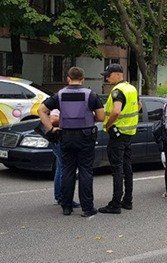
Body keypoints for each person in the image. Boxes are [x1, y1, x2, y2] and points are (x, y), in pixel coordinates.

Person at [39, 67, 105, 218]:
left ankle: (66, 207)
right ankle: (87, 208)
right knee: (85, 171)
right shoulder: (91, 95)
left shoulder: (59, 95)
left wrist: (50, 129)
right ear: (83, 79)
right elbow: (101, 117)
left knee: (67, 171)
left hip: (66, 136)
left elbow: (41, 110)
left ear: (68, 78)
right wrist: (88, 118)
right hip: (86, 136)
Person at [98, 64, 140, 214]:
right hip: (129, 134)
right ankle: (127, 201)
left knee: (117, 169)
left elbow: (116, 111)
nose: (107, 78)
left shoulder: (117, 91)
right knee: (127, 167)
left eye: (108, 75)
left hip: (117, 135)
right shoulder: (132, 88)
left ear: (117, 74)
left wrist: (108, 125)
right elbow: (139, 106)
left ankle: (115, 204)